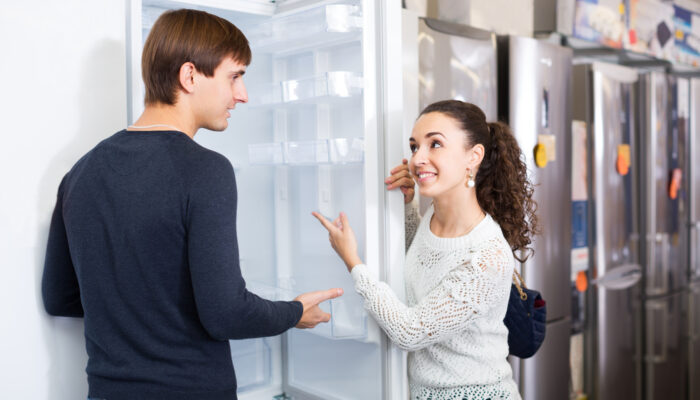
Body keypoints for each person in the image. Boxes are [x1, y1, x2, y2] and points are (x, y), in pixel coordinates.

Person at [42, 9, 342, 400]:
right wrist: (294, 312)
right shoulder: (205, 170)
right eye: (234, 76)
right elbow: (225, 313)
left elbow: (59, 297)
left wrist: (135, 309)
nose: (243, 95)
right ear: (189, 76)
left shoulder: (80, 173)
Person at [313, 100, 538, 400]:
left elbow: (410, 331)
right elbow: (426, 263)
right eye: (414, 146)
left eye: (435, 144)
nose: (418, 158)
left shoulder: (487, 255)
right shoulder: (432, 218)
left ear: (474, 156)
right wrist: (406, 207)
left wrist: (353, 261)